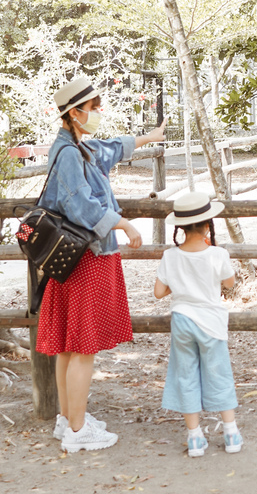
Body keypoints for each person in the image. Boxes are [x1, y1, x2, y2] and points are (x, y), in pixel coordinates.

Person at [36, 75, 166, 453]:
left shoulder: (78, 147)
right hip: (87, 259)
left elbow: (112, 148)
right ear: (74, 113)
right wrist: (122, 222)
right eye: (92, 108)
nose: (97, 113)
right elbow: (80, 205)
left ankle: (67, 420)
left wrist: (150, 137)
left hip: (73, 261)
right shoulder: (71, 155)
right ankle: (78, 432)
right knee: (83, 347)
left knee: (67, 346)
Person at [154, 191, 242, 458]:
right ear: (207, 225)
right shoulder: (217, 254)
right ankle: (231, 433)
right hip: (211, 323)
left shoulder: (171, 256)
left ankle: (194, 438)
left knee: (186, 375)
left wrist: (181, 285)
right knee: (219, 373)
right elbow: (230, 283)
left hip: (182, 320)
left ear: (180, 228)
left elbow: (159, 292)